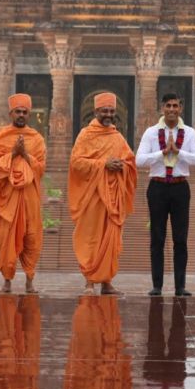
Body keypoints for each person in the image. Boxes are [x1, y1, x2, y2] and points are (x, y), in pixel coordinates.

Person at [136, 92, 195, 297]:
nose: (172, 110)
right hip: (157, 187)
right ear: (162, 108)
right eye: (168, 106)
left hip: (180, 187)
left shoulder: (190, 133)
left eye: (175, 106)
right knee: (157, 237)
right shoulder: (151, 133)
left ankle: (180, 286)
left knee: (180, 238)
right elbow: (139, 161)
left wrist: (179, 152)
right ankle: (157, 285)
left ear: (181, 109)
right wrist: (162, 153)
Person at [68, 91, 137, 295]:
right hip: (93, 197)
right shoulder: (85, 135)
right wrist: (103, 163)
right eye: (104, 111)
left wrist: (121, 166)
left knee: (112, 240)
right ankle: (89, 281)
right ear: (96, 111)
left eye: (111, 111)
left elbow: (130, 161)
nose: (108, 114)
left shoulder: (117, 137)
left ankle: (107, 282)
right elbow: (76, 163)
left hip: (113, 197)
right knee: (90, 238)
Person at [0, 93, 46, 294]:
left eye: (25, 112)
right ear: (10, 113)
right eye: (17, 111)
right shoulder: (0, 137)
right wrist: (12, 154)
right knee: (6, 239)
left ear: (29, 114)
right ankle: (7, 281)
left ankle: (30, 280)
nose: (21, 115)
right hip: (7, 198)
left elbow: (40, 168)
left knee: (31, 238)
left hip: (29, 198)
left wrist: (24, 154)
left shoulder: (36, 139)